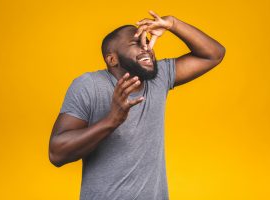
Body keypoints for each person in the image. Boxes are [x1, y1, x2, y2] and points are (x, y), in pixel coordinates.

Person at [48, 10, 225, 200]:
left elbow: (213, 54)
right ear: (112, 59)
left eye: (147, 42)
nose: (146, 47)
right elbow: (56, 153)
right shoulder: (89, 85)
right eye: (135, 43)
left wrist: (172, 23)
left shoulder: (159, 78)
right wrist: (111, 121)